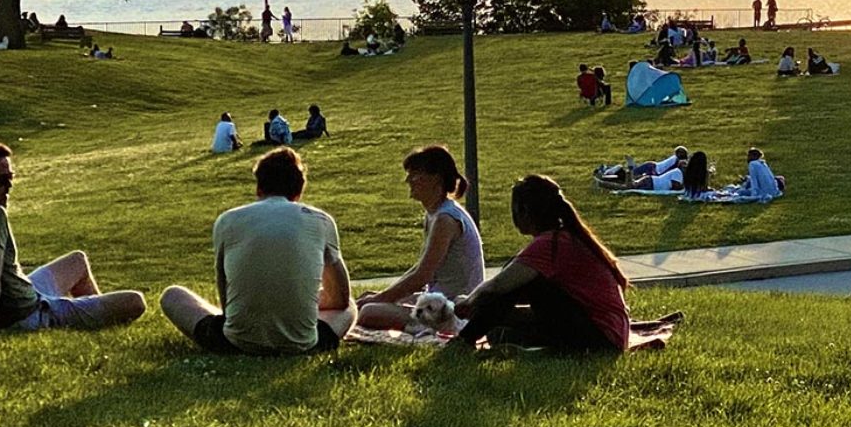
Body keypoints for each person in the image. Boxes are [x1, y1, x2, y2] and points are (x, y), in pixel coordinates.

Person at [0, 140, 146, 333]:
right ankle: (78, 318)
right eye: (1, 181)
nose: (9, 186)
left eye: (11, 178)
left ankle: (87, 316)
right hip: (29, 315)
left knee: (77, 260)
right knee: (135, 301)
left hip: (27, 295)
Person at [160, 148, 356, 355]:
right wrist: (308, 300)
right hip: (303, 344)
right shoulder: (321, 220)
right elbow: (341, 298)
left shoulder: (227, 220)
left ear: (258, 188)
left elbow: (225, 296)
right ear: (299, 192)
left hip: (236, 342)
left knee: (172, 295)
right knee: (350, 306)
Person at [453, 175, 629, 351]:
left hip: (601, 339)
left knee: (521, 281)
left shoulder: (551, 243)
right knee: (499, 330)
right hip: (605, 334)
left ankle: (464, 340)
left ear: (524, 210)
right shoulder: (563, 238)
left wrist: (469, 302)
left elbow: (499, 285)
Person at [356, 146, 485, 331]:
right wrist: (383, 296)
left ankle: (422, 328)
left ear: (436, 179)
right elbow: (420, 269)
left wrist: (379, 299)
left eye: (415, 174)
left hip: (452, 309)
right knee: (369, 299)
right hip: (436, 300)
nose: (408, 180)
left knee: (369, 312)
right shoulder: (434, 214)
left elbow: (422, 276)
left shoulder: (446, 220)